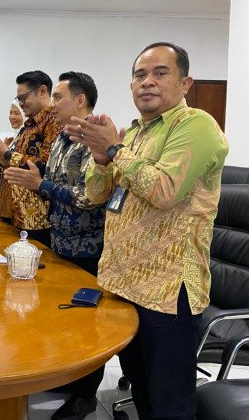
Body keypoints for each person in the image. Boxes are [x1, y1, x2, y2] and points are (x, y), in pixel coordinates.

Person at [67, 42, 228, 419]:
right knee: (141, 386)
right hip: (125, 283)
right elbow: (96, 195)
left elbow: (164, 192)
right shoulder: (134, 133)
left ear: (185, 83)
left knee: (170, 400)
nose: (148, 82)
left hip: (171, 288)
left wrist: (115, 150)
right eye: (140, 75)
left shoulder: (197, 125)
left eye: (160, 73)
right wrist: (100, 158)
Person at [4, 71, 106, 420]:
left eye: (59, 98)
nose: (53, 104)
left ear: (80, 100)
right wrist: (33, 178)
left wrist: (41, 186)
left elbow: (90, 197)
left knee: (87, 324)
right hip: (60, 241)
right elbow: (49, 179)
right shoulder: (63, 137)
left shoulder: (95, 139)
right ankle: (70, 379)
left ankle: (86, 396)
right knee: (62, 319)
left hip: (88, 246)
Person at [0, 71, 62, 247]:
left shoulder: (53, 122)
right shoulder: (28, 126)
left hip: (35, 217)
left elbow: (46, 165)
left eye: (23, 98)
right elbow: (9, 169)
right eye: (18, 98)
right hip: (12, 212)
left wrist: (7, 154)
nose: (21, 103)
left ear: (42, 91)